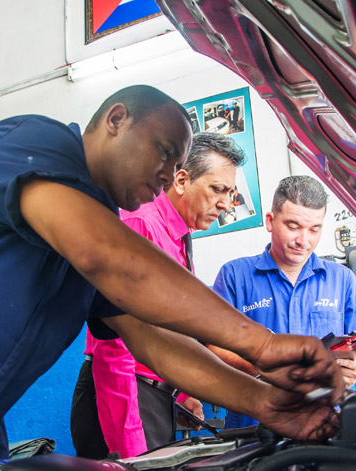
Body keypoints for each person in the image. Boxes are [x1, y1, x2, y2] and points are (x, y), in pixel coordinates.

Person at [0, 86, 345, 470]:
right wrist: (264, 342)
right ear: (116, 120)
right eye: (163, 150)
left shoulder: (92, 231)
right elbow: (110, 257)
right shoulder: (34, 143)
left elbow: (156, 342)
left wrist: (265, 403)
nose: (168, 171)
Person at [70, 132, 245, 459]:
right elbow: (115, 346)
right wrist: (131, 448)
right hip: (123, 396)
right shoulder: (141, 224)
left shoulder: (178, 236)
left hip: (152, 395)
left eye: (231, 192)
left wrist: (180, 393)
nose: (225, 203)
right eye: (218, 189)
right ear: (181, 180)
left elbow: (167, 326)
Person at [209, 175, 356, 429]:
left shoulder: (342, 279)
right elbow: (212, 346)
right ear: (271, 221)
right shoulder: (234, 276)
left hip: (326, 423)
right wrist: (268, 366)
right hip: (254, 425)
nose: (304, 241)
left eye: (314, 229)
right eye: (293, 226)